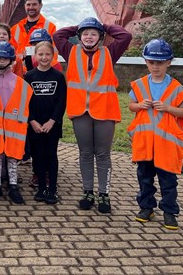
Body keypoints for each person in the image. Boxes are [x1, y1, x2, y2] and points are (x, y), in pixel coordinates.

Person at [53, 17, 132, 214]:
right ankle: (87, 191)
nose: (89, 37)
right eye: (85, 33)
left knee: (103, 154)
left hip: (105, 110)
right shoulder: (71, 51)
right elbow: (57, 35)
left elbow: (125, 35)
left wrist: (102, 25)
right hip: (80, 111)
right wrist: (79, 26)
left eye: (93, 33)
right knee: (86, 153)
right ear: (79, 37)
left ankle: (104, 193)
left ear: (100, 37)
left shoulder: (110, 52)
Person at [128, 39, 183, 230]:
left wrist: (168, 108)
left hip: (167, 145)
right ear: (146, 62)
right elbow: (131, 106)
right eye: (152, 62)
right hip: (145, 143)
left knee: (168, 181)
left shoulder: (177, 88)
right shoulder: (139, 85)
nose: (155, 66)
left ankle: (170, 212)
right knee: (144, 178)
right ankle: (146, 207)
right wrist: (140, 106)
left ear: (169, 62)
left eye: (160, 62)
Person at [0, 42, 33, 205]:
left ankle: (13, 186)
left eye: (5, 58)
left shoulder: (20, 83)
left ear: (11, 60)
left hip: (14, 127)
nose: (2, 61)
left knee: (12, 157)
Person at [24, 41, 67, 204]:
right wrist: (32, 120)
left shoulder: (58, 77)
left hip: (52, 126)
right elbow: (25, 102)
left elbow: (62, 101)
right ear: (35, 56)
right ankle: (41, 187)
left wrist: (52, 121)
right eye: (40, 54)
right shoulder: (29, 76)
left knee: (51, 156)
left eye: (47, 54)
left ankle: (52, 189)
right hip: (35, 125)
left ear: (53, 56)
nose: (44, 57)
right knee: (38, 156)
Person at [10, 0, 59, 71]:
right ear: (25, 6)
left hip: (41, 71)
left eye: (34, 4)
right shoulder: (15, 28)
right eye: (28, 5)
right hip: (20, 71)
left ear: (40, 5)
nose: (31, 7)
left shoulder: (50, 27)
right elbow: (10, 52)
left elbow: (54, 52)